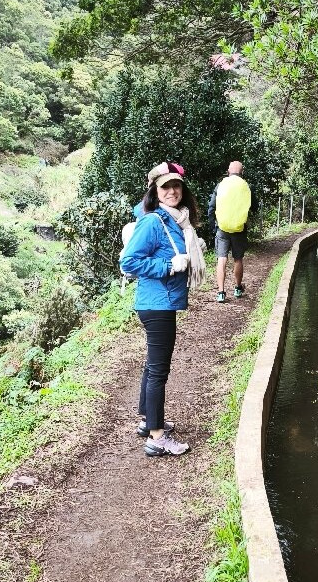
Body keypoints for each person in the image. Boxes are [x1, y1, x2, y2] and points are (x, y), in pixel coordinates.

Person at [120, 161, 207, 457]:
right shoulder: (153, 221)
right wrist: (168, 265)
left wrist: (190, 252)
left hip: (161, 302)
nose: (172, 191)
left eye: (176, 185)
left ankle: (148, 421)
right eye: (165, 187)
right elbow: (129, 262)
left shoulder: (175, 221)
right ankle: (157, 437)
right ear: (155, 192)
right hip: (156, 304)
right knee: (159, 371)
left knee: (152, 366)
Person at [208, 161, 252, 302]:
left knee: (222, 258)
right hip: (239, 227)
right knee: (238, 259)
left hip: (222, 227)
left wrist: (213, 227)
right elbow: (254, 205)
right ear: (242, 172)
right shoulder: (246, 186)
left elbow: (211, 207)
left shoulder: (221, 185)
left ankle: (221, 292)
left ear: (228, 172)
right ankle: (238, 289)